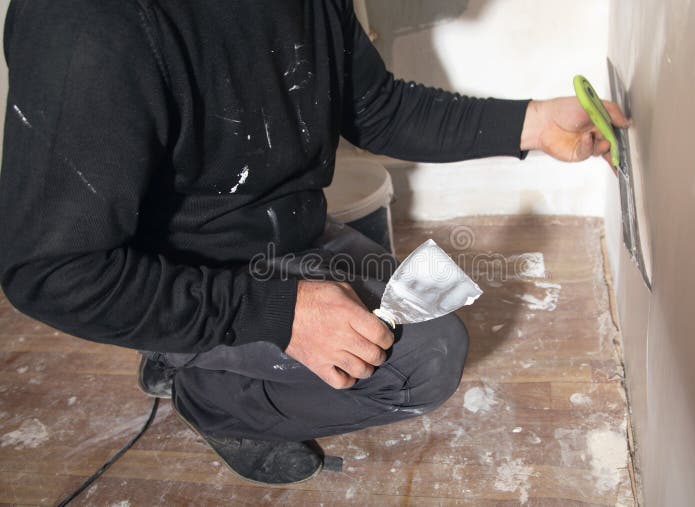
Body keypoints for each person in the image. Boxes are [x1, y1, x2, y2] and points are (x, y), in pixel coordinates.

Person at [0, 0, 628, 485]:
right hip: (186, 273)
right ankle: (210, 397)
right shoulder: (91, 24)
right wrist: (276, 314)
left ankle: (193, 352)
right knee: (426, 359)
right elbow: (51, 271)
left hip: (288, 234)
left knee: (426, 315)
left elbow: (374, 106)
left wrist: (532, 124)